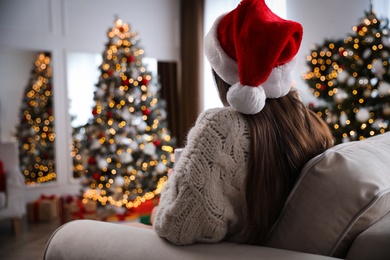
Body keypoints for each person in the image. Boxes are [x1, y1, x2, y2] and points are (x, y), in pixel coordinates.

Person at [150, 0, 334, 246]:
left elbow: (177, 227)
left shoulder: (221, 126)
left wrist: (172, 189)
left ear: (222, 74)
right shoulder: (309, 124)